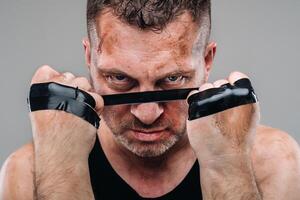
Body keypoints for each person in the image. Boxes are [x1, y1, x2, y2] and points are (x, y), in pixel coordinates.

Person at [1, 0, 300, 199]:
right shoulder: (29, 171)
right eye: (119, 78)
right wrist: (60, 168)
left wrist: (227, 165)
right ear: (90, 57)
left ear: (207, 61)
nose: (146, 114)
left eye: (172, 79)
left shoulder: (269, 160)